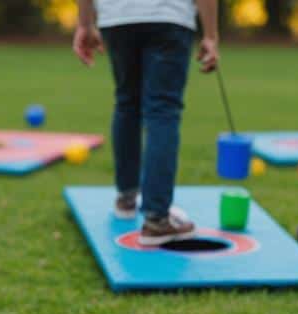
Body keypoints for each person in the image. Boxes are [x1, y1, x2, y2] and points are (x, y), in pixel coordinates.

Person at [73, 0, 219, 246]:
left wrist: (85, 24)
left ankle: (126, 197)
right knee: (163, 110)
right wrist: (211, 35)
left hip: (117, 18)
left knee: (126, 103)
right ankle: (157, 220)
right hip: (168, 17)